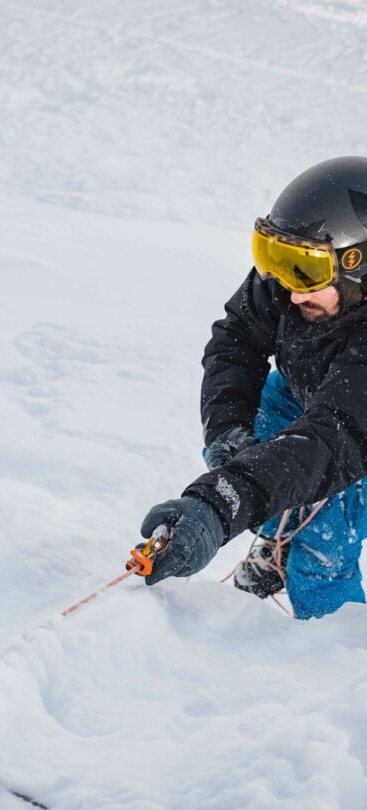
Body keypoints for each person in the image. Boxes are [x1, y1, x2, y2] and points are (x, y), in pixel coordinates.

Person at [139, 156, 367, 620]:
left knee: (322, 543)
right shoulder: (292, 280)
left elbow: (330, 440)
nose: (292, 291)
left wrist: (224, 503)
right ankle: (278, 550)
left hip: (351, 426)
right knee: (261, 459)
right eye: (279, 260)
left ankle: (337, 658)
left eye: (306, 270)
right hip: (311, 393)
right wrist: (227, 436)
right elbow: (236, 342)